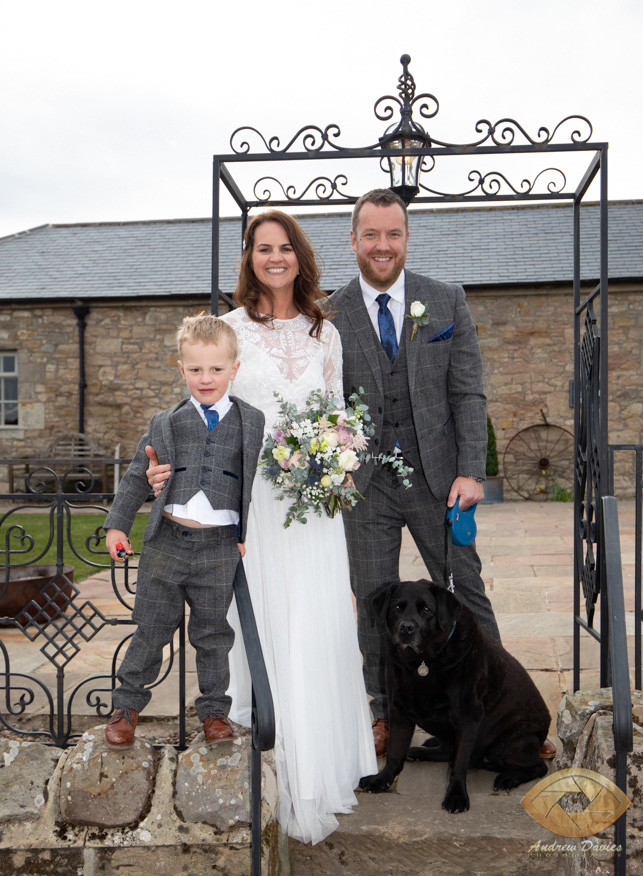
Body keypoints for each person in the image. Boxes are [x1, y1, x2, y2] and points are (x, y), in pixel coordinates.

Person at [145, 211, 377, 845]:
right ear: (248, 258)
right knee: (260, 617)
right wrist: (164, 465)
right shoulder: (231, 331)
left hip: (312, 503)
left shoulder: (324, 331)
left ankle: (317, 765)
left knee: (315, 619)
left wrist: (336, 455)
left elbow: (334, 413)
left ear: (300, 257)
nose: (274, 258)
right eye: (262, 249)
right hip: (252, 500)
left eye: (284, 248)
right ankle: (263, 754)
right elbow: (203, 405)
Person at [328, 188, 502, 760]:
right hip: (365, 486)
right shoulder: (329, 315)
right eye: (371, 235)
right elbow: (318, 403)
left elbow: (468, 394)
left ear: (407, 238)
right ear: (353, 240)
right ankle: (382, 714)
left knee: (466, 594)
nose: (383, 246)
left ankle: (497, 708)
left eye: (393, 234)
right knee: (375, 604)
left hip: (439, 480)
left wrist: (472, 472)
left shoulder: (446, 301)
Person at [102, 313, 264, 750]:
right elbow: (139, 475)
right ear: (181, 370)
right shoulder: (165, 421)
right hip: (168, 542)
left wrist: (246, 530)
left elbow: (254, 479)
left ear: (234, 369)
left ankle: (214, 712)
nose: (206, 378)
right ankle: (126, 707)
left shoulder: (253, 421)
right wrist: (117, 525)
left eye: (215, 369)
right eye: (196, 369)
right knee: (150, 628)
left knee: (213, 635)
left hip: (219, 547)